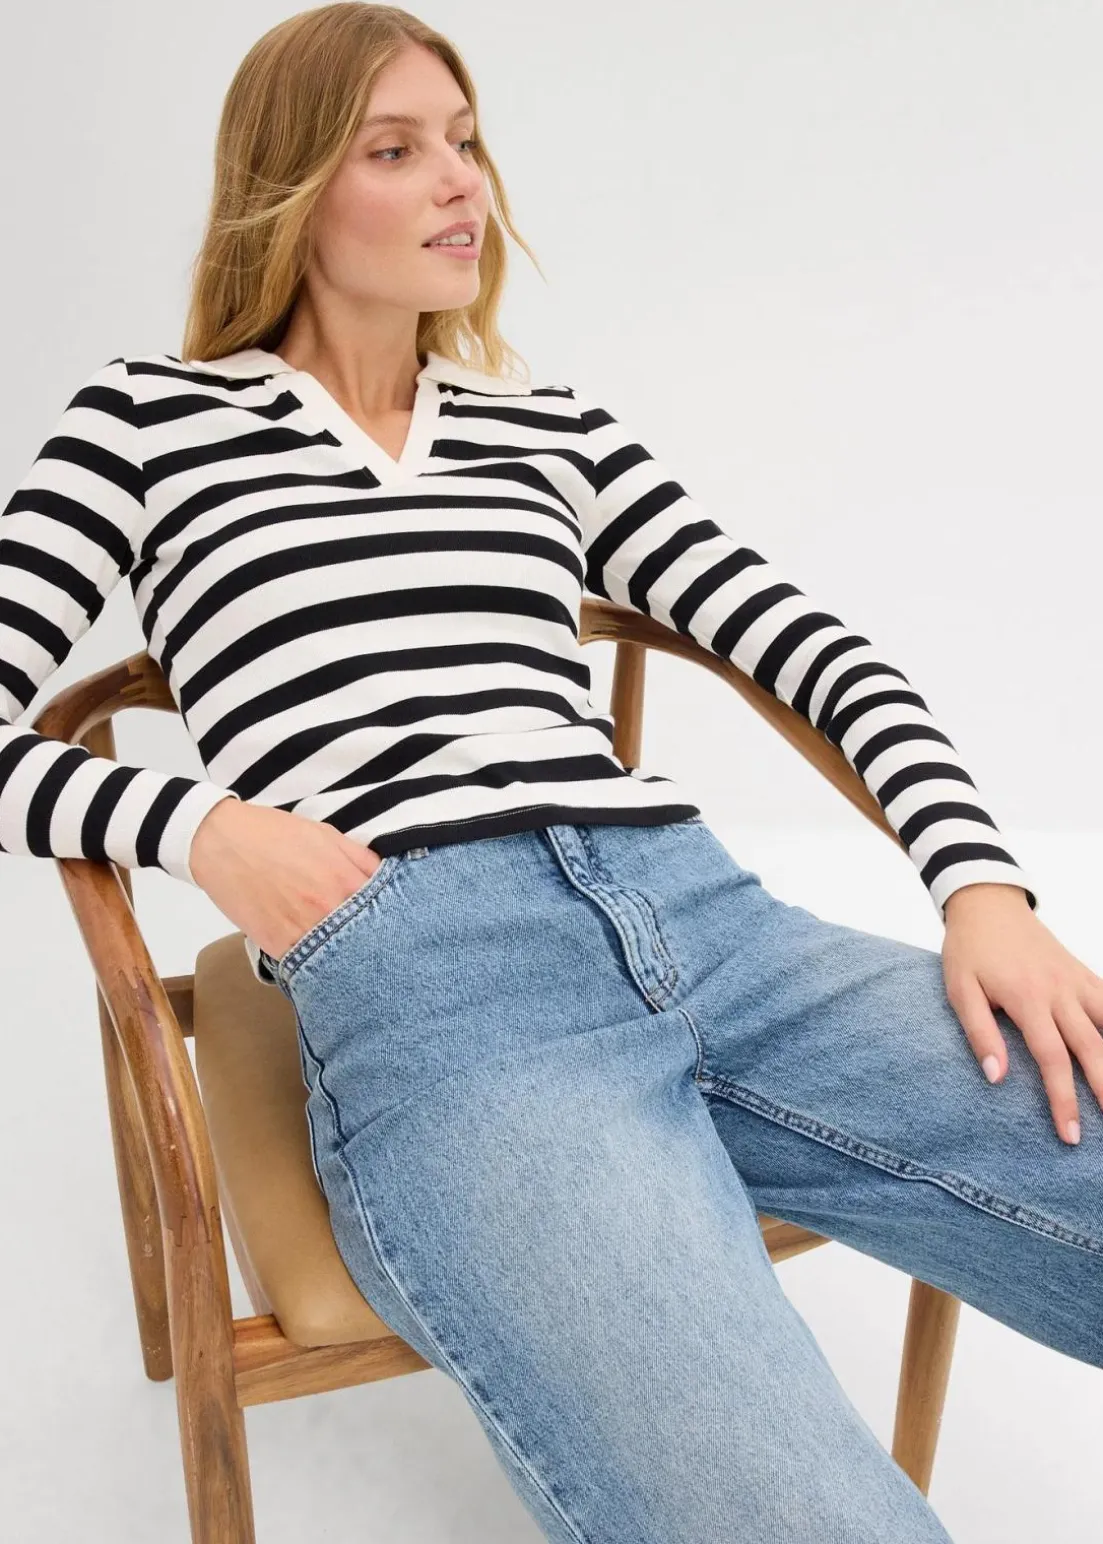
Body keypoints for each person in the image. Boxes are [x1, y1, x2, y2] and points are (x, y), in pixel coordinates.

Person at [3, 6, 1101, 1541]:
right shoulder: (147, 419)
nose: (462, 181)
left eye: (464, 141)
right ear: (290, 188)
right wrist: (200, 828)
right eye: (396, 150)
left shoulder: (547, 428)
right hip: (445, 1001)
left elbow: (807, 646)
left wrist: (981, 887)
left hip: (713, 925)